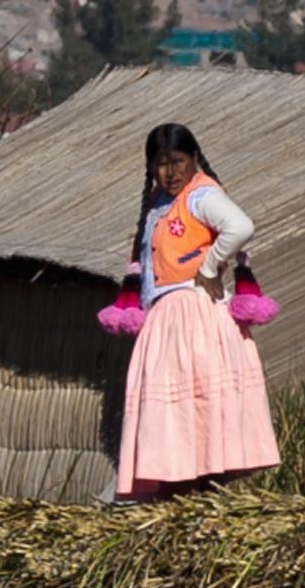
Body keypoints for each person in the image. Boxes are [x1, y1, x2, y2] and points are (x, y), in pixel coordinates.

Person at [112, 116, 277, 499]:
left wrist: (207, 267)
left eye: (177, 162)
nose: (169, 172)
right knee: (179, 408)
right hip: (169, 314)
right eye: (161, 164)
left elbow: (240, 225)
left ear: (195, 159)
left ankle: (194, 487)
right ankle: (181, 490)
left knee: (189, 402)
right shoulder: (161, 203)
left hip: (192, 315)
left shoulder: (201, 195)